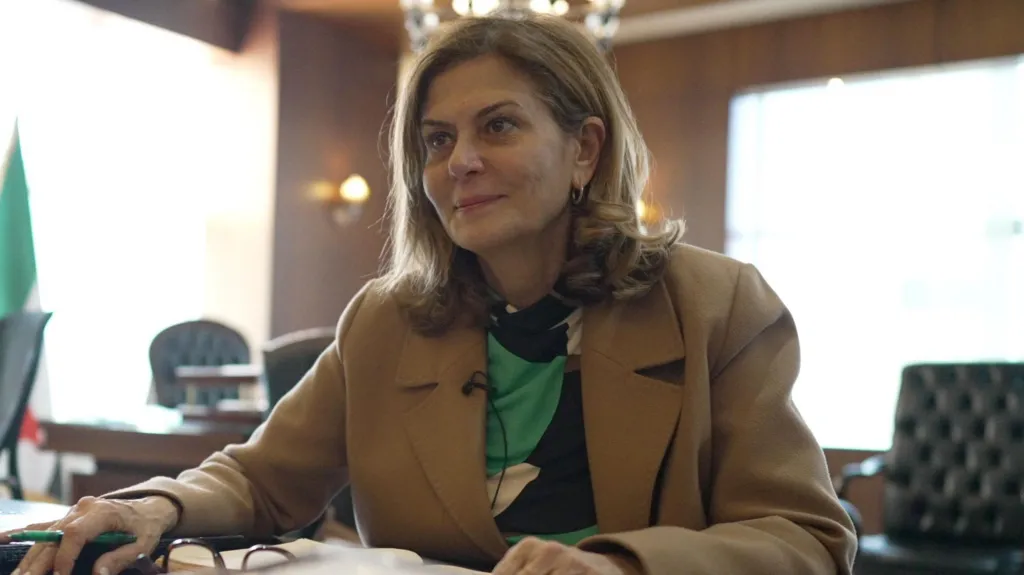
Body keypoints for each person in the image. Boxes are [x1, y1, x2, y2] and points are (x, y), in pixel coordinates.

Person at [2, 13, 857, 575]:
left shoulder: (716, 304)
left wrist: (618, 564)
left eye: (500, 125)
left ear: (585, 150)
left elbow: (806, 538)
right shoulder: (386, 319)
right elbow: (264, 480)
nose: (460, 163)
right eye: (437, 139)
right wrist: (156, 501)